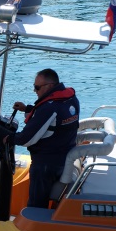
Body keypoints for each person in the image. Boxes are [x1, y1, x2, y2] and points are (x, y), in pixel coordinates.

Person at [11, 68, 80, 209]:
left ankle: (34, 225)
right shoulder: (71, 99)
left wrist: (6, 137)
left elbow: (25, 139)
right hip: (64, 156)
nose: (35, 91)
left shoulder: (49, 107)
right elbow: (55, 123)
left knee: (36, 204)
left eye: (37, 87)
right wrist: (28, 109)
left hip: (47, 165)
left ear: (49, 86)